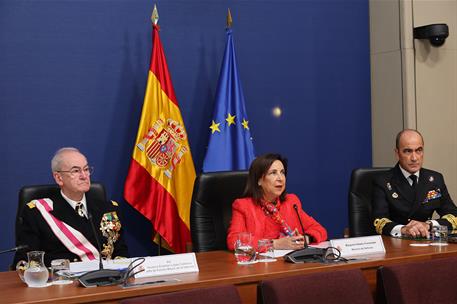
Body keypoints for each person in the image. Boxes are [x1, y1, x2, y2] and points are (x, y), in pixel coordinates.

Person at [13, 147, 129, 266]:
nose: (84, 176)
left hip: (105, 281)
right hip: (60, 281)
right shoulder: (38, 212)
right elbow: (26, 261)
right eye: (75, 171)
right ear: (59, 178)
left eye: (86, 169)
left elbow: (121, 252)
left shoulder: (109, 209)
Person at [226, 153, 327, 250]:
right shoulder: (243, 206)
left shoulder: (291, 202)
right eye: (273, 173)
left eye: (282, 172)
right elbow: (234, 241)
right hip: (260, 265)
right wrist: (275, 244)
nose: (280, 178)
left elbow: (320, 230)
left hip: (290, 264)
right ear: (259, 180)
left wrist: (305, 239)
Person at [372, 129, 457, 238]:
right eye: (407, 151)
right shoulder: (383, 181)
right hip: (396, 244)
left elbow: (454, 215)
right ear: (397, 154)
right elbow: (379, 221)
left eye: (419, 150)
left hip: (426, 242)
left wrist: (428, 225)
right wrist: (403, 229)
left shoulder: (435, 179)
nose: (414, 158)